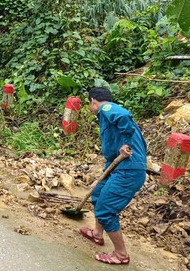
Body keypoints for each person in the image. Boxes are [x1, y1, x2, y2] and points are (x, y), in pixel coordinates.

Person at [79, 87, 147, 265]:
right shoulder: (106, 118)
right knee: (98, 194)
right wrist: (101, 177)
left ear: (93, 101)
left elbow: (124, 116)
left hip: (129, 170)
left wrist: (125, 143)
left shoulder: (107, 109)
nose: (90, 107)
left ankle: (121, 254)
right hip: (118, 166)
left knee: (105, 209)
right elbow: (113, 155)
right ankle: (97, 234)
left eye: (89, 104)